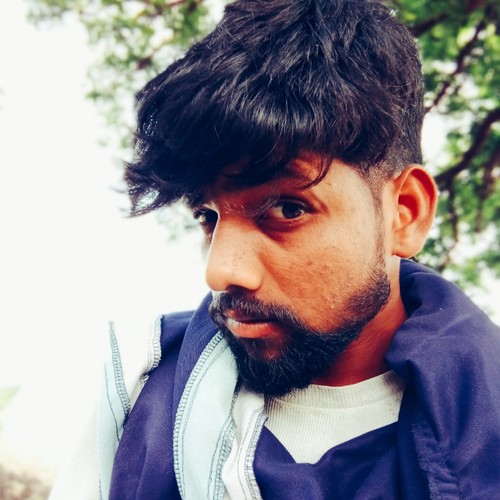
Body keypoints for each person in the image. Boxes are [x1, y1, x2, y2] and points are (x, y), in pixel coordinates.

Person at [49, 0, 500, 498]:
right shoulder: (138, 393)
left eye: (287, 209)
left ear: (405, 213)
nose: (220, 272)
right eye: (208, 216)